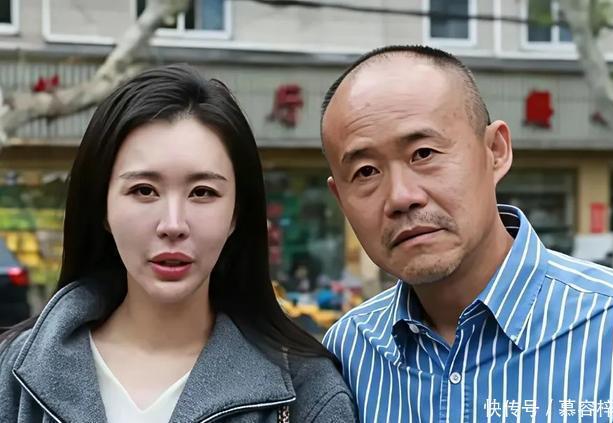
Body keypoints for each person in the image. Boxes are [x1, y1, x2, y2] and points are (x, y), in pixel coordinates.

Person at [0, 64, 356, 422]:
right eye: (144, 190)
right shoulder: (15, 375)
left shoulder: (307, 395)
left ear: (237, 213)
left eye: (202, 192)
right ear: (102, 207)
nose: (173, 225)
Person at [320, 45, 613, 422]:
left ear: (495, 151)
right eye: (366, 172)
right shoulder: (349, 352)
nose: (401, 197)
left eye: (423, 153)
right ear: (340, 200)